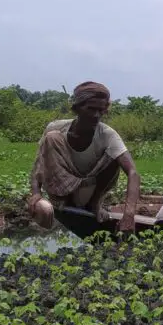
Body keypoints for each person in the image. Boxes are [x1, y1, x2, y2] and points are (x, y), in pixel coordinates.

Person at [27, 81, 140, 233]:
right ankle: (60, 201)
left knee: (115, 157)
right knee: (52, 137)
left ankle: (95, 204)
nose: (96, 115)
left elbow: (133, 172)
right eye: (91, 109)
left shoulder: (107, 135)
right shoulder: (56, 127)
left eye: (101, 110)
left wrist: (129, 214)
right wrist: (36, 193)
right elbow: (39, 163)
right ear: (77, 108)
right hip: (61, 191)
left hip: (88, 191)